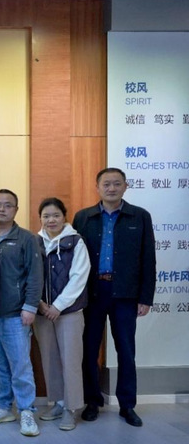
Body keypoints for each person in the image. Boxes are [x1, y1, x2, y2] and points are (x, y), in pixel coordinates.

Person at [73, 167, 156, 427]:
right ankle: (92, 401)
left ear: (125, 186)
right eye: (106, 184)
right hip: (93, 293)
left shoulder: (140, 216)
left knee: (126, 351)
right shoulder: (83, 217)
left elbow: (148, 258)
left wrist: (146, 297)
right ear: (97, 187)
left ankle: (127, 405)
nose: (111, 188)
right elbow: (73, 258)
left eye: (117, 183)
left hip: (126, 294)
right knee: (89, 349)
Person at [0, 189, 43, 437]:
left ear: (16, 210)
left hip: (16, 314)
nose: (2, 209)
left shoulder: (26, 239)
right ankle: (4, 407)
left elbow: (35, 276)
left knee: (20, 366)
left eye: (8, 205)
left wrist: (30, 307)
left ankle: (26, 410)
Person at [34, 197, 90, 431]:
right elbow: (28, 275)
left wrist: (58, 306)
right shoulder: (35, 242)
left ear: (64, 217)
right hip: (42, 312)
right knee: (50, 360)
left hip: (69, 312)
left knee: (71, 361)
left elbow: (79, 277)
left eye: (56, 215)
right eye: (46, 216)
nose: (51, 220)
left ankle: (71, 408)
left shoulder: (76, 242)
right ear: (40, 219)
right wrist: (40, 304)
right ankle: (57, 403)